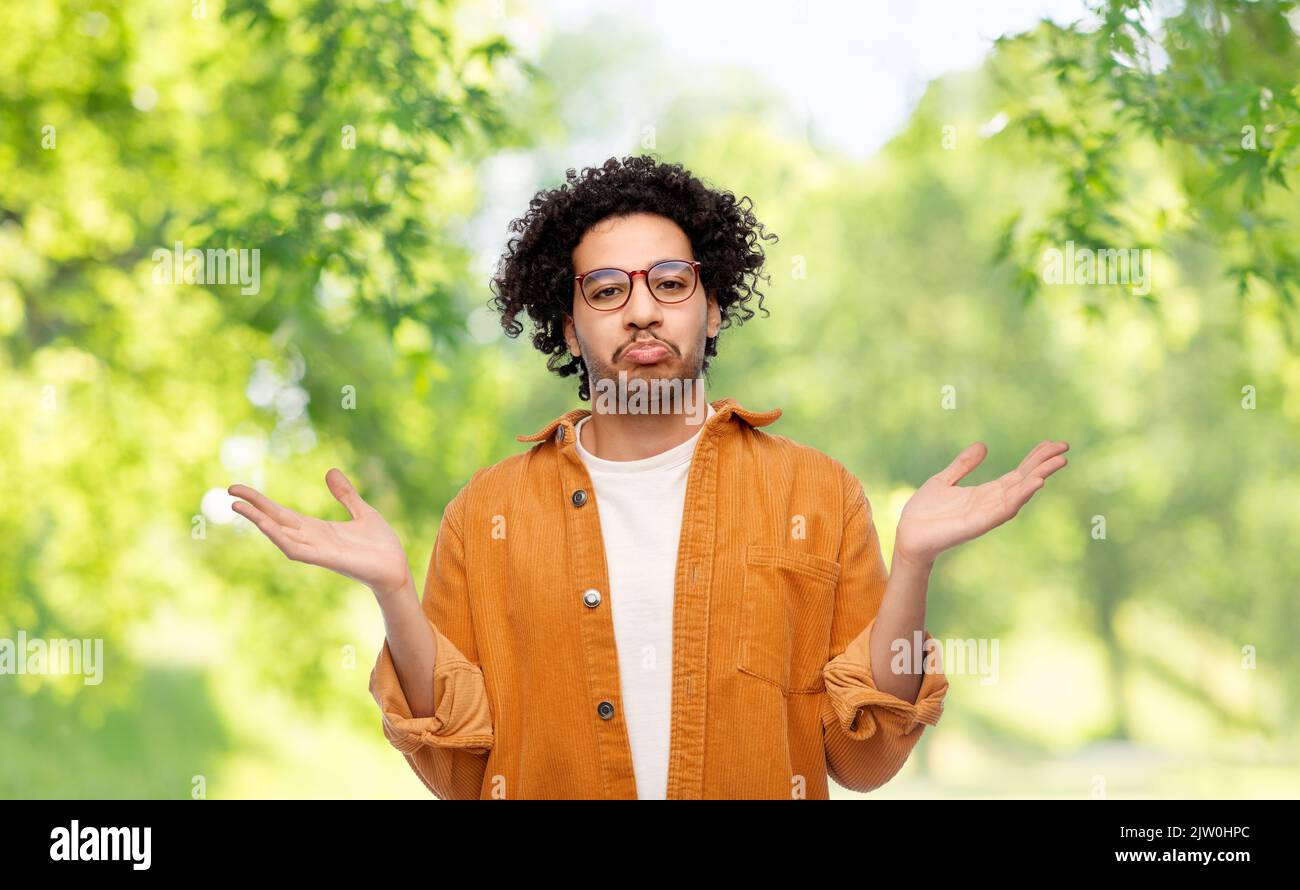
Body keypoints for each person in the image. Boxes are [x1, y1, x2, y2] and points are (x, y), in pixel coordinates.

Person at [230, 155, 1068, 799]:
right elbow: (458, 771)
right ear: (567, 322)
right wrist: (392, 594)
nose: (641, 308)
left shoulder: (818, 494)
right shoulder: (486, 511)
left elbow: (862, 756)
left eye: (671, 283)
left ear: (712, 308)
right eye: (606, 289)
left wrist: (913, 562)